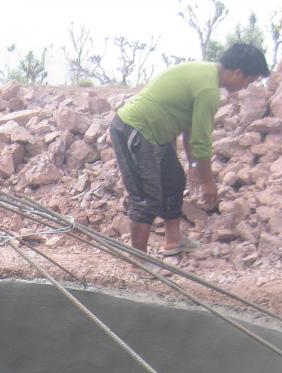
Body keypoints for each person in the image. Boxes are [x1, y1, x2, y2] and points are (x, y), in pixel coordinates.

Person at [109, 42, 270, 255]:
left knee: (174, 180)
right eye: (249, 81)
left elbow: (190, 130)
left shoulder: (205, 74)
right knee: (146, 198)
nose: (247, 87)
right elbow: (200, 141)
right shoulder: (208, 90)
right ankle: (138, 262)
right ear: (238, 73)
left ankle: (173, 241)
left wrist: (194, 165)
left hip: (158, 134)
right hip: (136, 129)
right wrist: (208, 181)